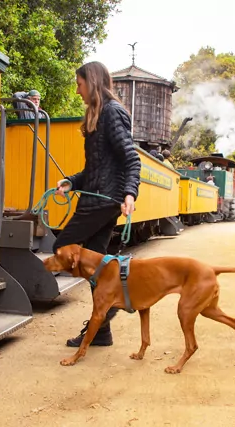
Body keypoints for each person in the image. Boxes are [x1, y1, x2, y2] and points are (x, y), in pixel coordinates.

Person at [52, 61, 141, 347]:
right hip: (97, 197)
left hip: (101, 202)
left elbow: (131, 159)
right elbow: (96, 168)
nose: (77, 91)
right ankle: (101, 329)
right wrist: (71, 182)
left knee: (61, 248)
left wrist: (130, 193)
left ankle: (110, 307)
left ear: (91, 82)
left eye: (79, 84)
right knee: (98, 264)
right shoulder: (96, 115)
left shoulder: (111, 112)